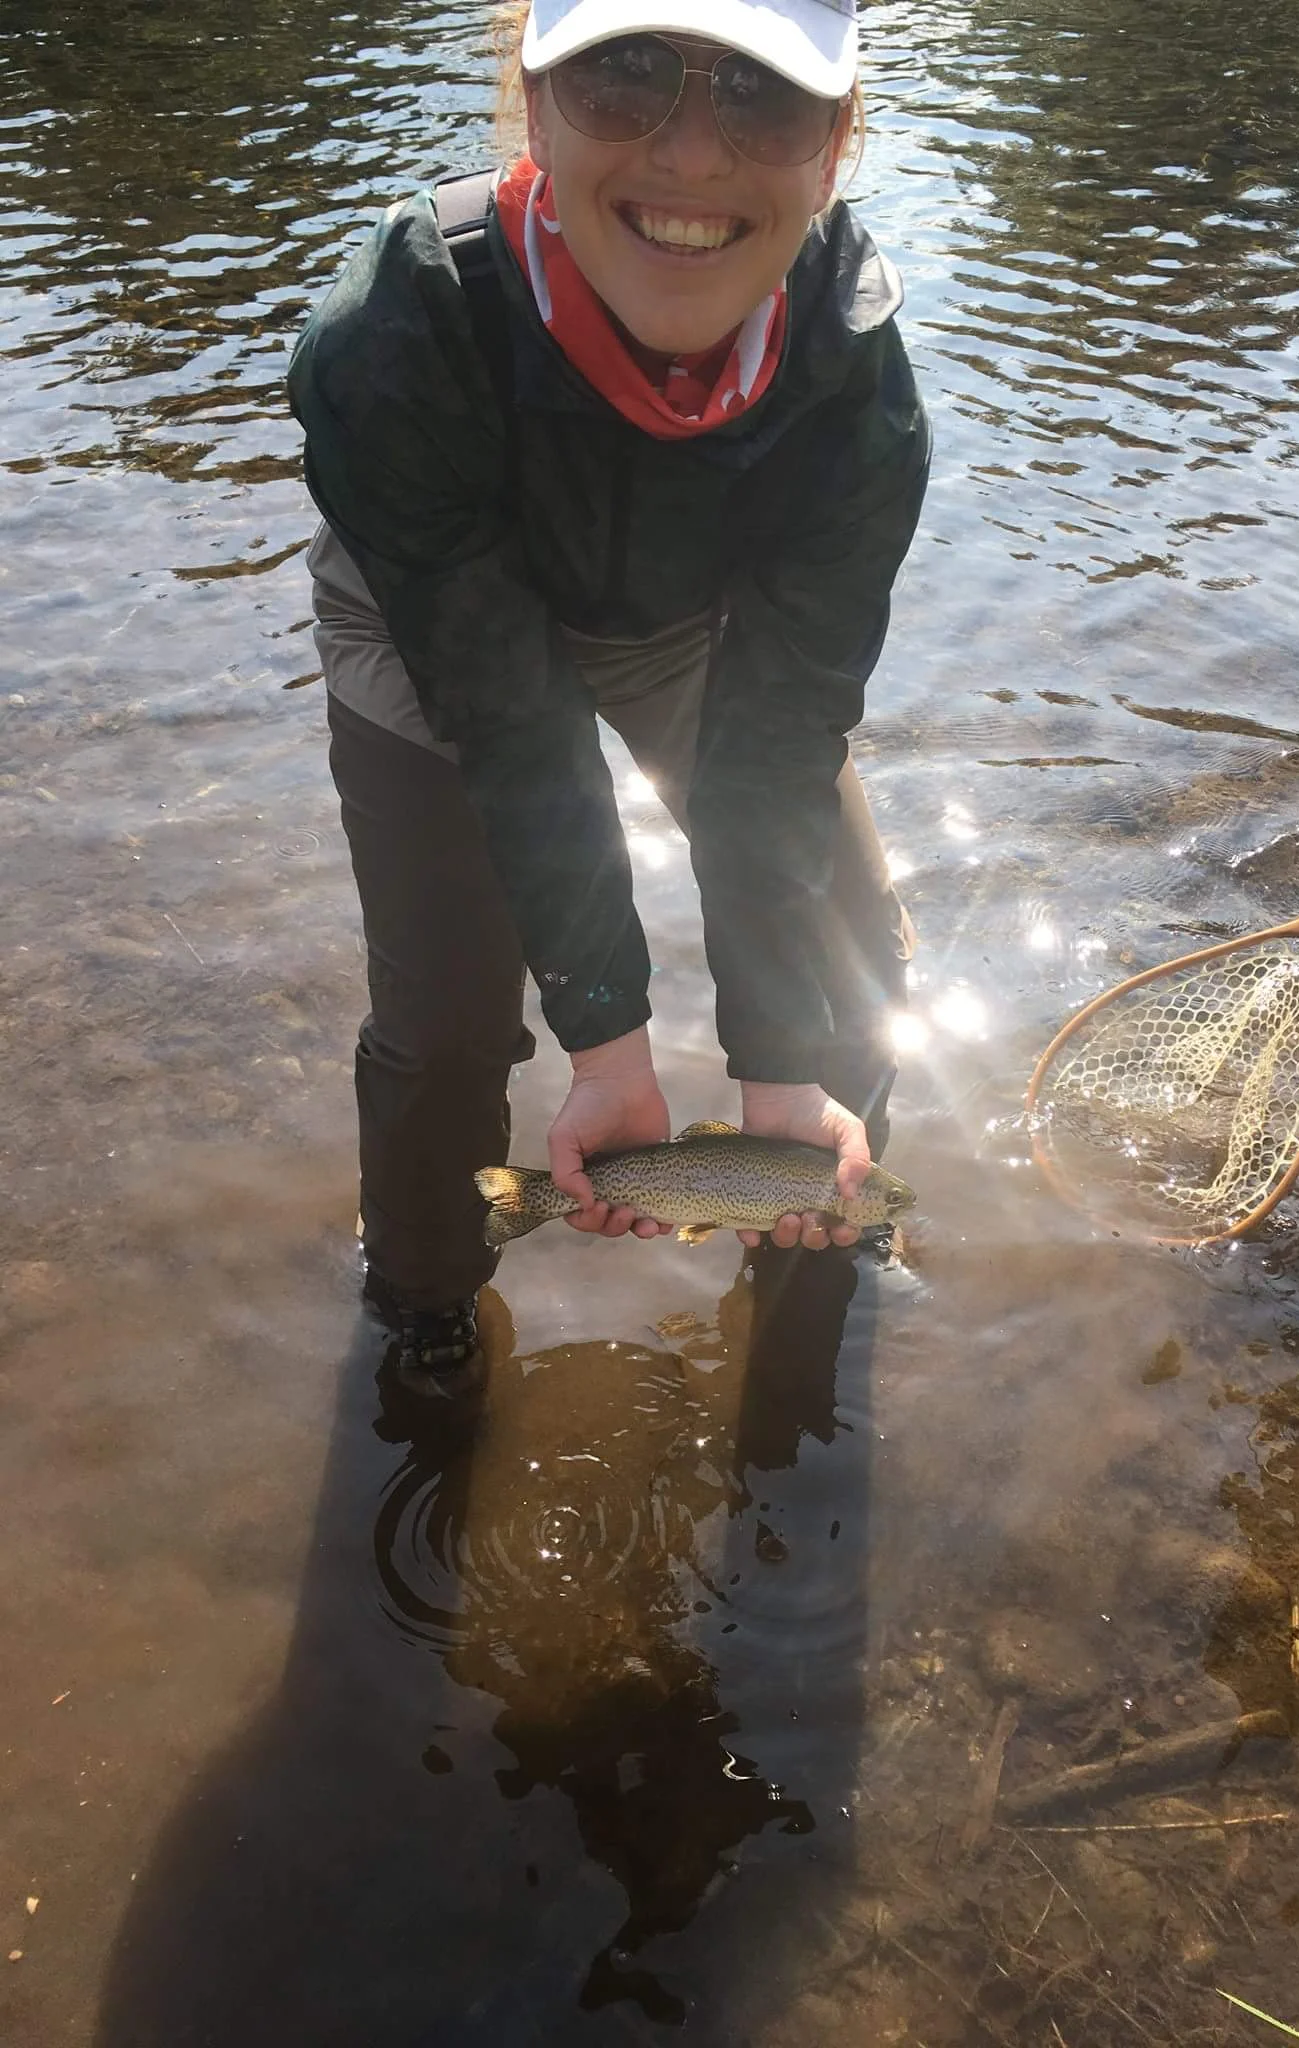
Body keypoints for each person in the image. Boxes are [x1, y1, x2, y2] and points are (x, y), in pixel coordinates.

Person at [288, 0, 930, 1394]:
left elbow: (780, 731)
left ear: (836, 144)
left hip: (689, 620)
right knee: (453, 1019)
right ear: (533, 104)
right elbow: (510, 716)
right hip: (432, 629)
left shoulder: (852, 380)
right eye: (626, 75)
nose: (692, 156)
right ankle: (422, 1304)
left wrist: (773, 1068)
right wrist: (607, 1036)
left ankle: (817, 1219)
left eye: (761, 98)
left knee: (847, 956)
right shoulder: (395, 331)